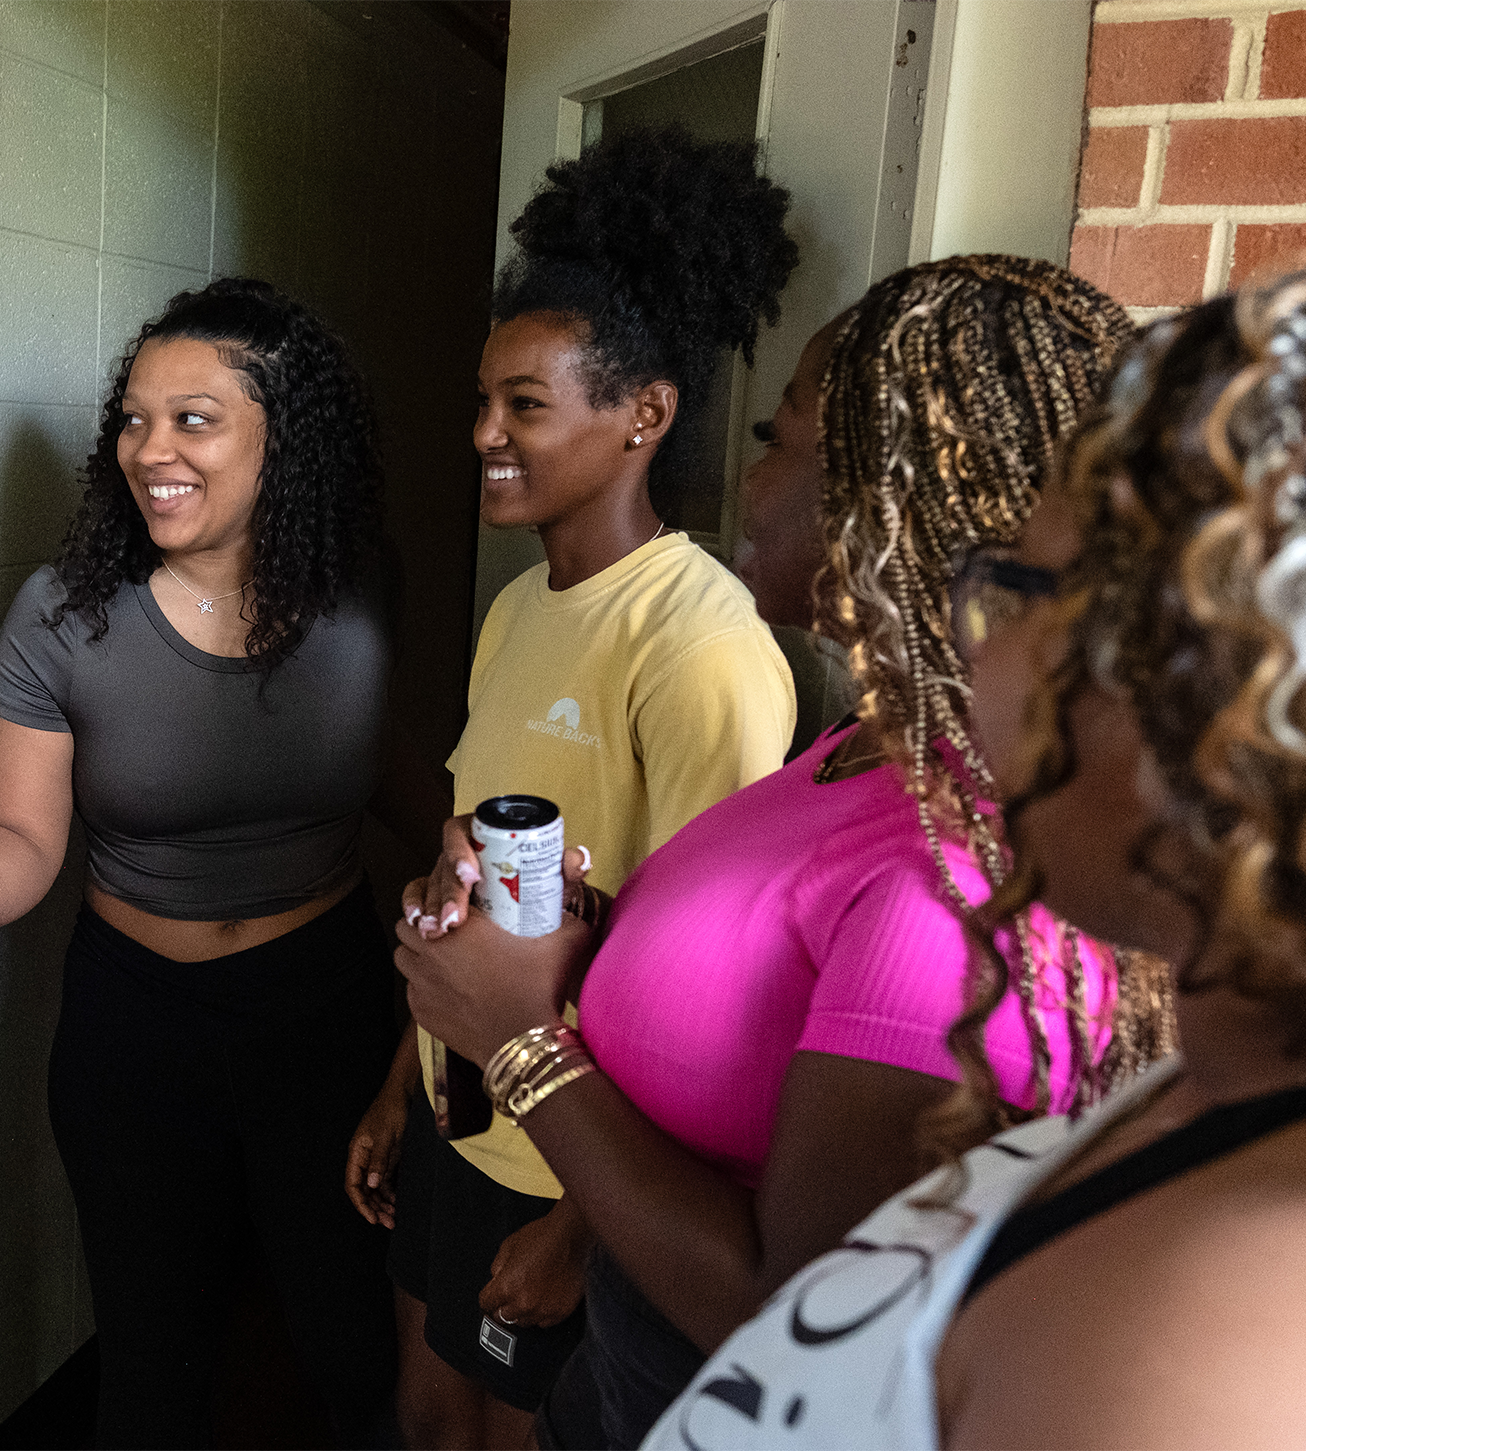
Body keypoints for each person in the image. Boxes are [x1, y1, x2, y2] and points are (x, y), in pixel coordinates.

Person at [396, 254, 1150, 1449]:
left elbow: (800, 1307)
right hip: (625, 1370)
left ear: (892, 495)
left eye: (778, 439)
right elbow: (752, 971)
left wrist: (519, 1043)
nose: (750, 479)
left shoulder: (951, 876)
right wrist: (573, 929)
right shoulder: (865, 744)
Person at [639, 273, 1306, 1450]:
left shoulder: (1196, 1349)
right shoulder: (1230, 1083)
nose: (973, 665)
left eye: (1007, 594)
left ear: (1191, 693)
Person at [339, 124, 801, 1451]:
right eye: (482, 399)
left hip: (570, 1165)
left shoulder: (700, 642)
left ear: (643, 413)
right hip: (457, 1125)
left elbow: (715, 992)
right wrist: (400, 1083)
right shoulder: (516, 612)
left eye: (523, 406)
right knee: (428, 1411)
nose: (482, 433)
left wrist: (583, 1227)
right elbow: (462, 893)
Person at [0, 278, 404, 1447]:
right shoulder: (62, 615)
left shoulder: (359, 590)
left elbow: (407, 778)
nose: (152, 450)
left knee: (351, 1344)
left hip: (328, 1012)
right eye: (134, 419)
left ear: (278, 440)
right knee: (150, 1366)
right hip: (134, 1028)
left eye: (194, 419)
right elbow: (22, 834)